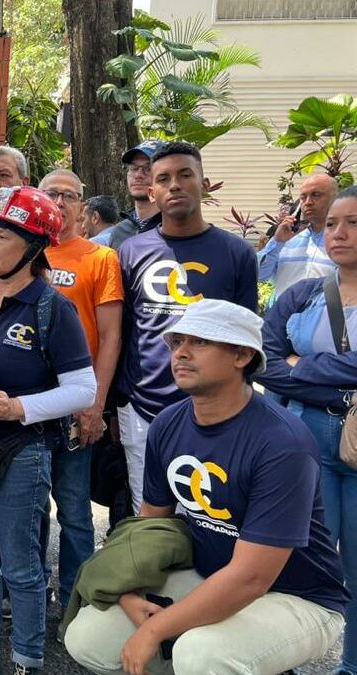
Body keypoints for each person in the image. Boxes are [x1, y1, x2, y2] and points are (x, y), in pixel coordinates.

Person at [65, 299, 347, 675]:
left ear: (242, 356)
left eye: (199, 342)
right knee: (89, 637)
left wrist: (156, 630)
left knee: (202, 656)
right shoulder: (168, 424)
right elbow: (150, 529)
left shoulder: (282, 443)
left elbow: (251, 577)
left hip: (299, 595)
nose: (180, 353)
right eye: (176, 342)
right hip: (209, 574)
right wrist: (129, 590)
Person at [0, 186, 96, 675]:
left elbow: (83, 390)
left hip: (21, 453)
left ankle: (27, 657)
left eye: (1, 236)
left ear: (33, 246)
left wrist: (19, 408)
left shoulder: (51, 308)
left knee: (22, 569)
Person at [116, 141, 258, 512]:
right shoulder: (131, 251)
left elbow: (246, 336)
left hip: (213, 407)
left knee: (211, 514)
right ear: (152, 192)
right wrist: (118, 402)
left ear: (204, 184)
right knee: (152, 520)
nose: (174, 185)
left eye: (185, 175)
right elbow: (124, 330)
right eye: (163, 179)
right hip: (142, 408)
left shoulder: (237, 253)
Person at [258, 185, 357, 675]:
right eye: (333, 223)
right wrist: (338, 380)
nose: (339, 233)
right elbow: (263, 358)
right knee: (296, 560)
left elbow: (286, 365)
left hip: (356, 441)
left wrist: (301, 365)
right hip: (304, 439)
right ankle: (284, 662)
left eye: (353, 223)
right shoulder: (304, 294)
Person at [39, 169, 124, 608]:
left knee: (73, 510)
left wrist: (96, 404)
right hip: (29, 406)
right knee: (30, 510)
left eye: (68, 196)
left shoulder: (100, 258)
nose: (59, 202)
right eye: (50, 193)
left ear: (83, 207)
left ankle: (76, 601)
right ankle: (30, 593)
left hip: (76, 406)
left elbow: (110, 337)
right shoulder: (23, 251)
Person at [258, 173, 339, 300]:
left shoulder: (346, 244)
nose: (308, 202)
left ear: (335, 199)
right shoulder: (285, 242)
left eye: (316, 195)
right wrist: (277, 242)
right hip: (284, 313)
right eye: (303, 197)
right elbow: (258, 275)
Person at [94, 140, 165, 250]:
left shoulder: (175, 226)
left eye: (148, 169)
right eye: (133, 168)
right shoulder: (119, 232)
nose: (138, 175)